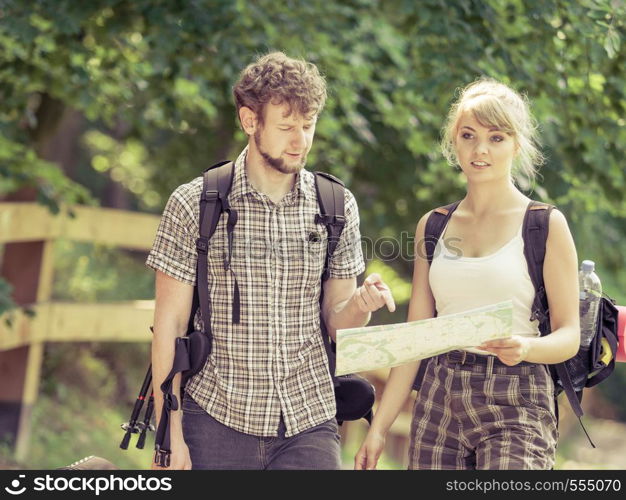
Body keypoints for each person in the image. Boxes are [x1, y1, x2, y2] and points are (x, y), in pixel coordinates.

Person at [146, 51, 395, 470]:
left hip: (309, 419)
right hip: (214, 418)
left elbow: (337, 323)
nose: (301, 141)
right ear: (250, 122)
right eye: (286, 127)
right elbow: (168, 328)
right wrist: (168, 435)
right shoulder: (195, 204)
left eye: (308, 126)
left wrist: (360, 305)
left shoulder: (336, 205)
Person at [355, 78, 580, 470]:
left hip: (517, 394)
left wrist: (527, 348)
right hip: (440, 393)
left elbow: (569, 335)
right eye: (468, 135)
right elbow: (416, 339)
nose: (480, 150)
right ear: (452, 142)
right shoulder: (434, 225)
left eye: (496, 138)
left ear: (516, 144)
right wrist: (378, 429)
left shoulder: (545, 224)